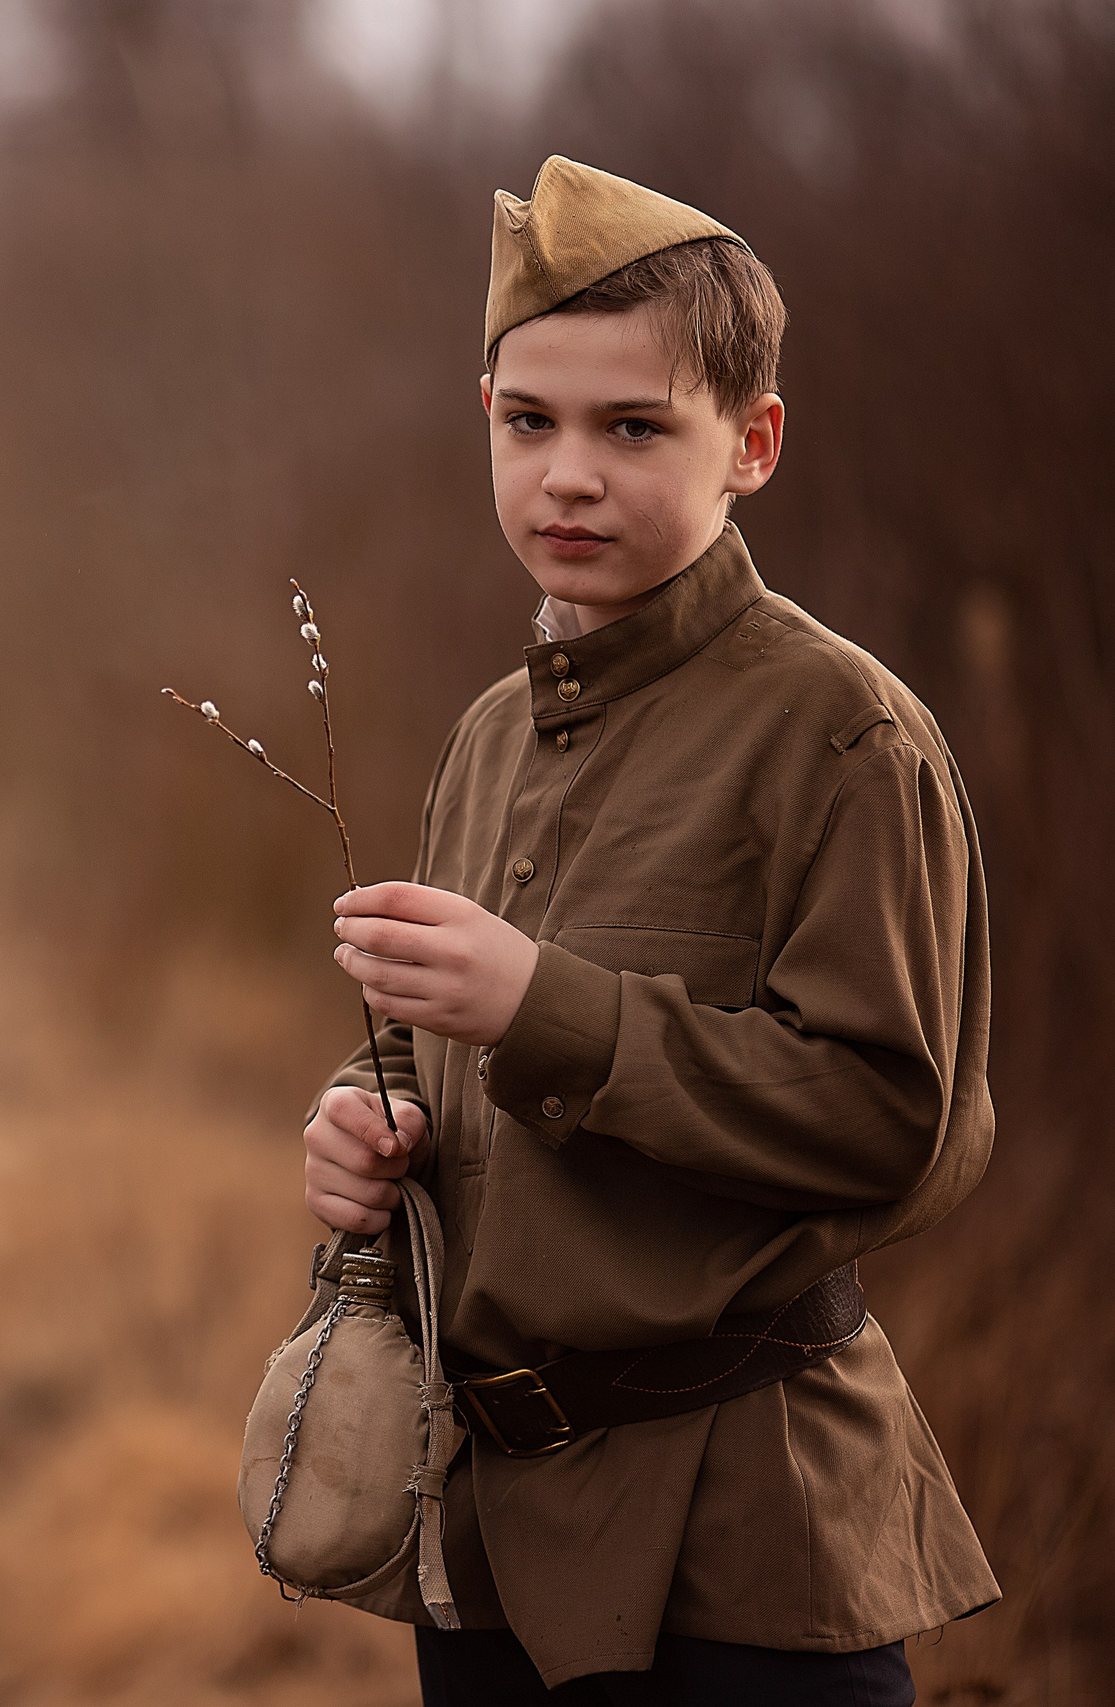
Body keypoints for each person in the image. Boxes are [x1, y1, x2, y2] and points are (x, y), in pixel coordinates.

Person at [303, 157, 997, 1704]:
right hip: (483, 1543)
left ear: (752, 444)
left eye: (632, 428)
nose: (568, 476)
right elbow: (445, 1064)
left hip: (740, 1551)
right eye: (528, 422)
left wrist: (545, 1009)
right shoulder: (490, 733)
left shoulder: (843, 733)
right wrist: (369, 1127)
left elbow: (901, 1123)